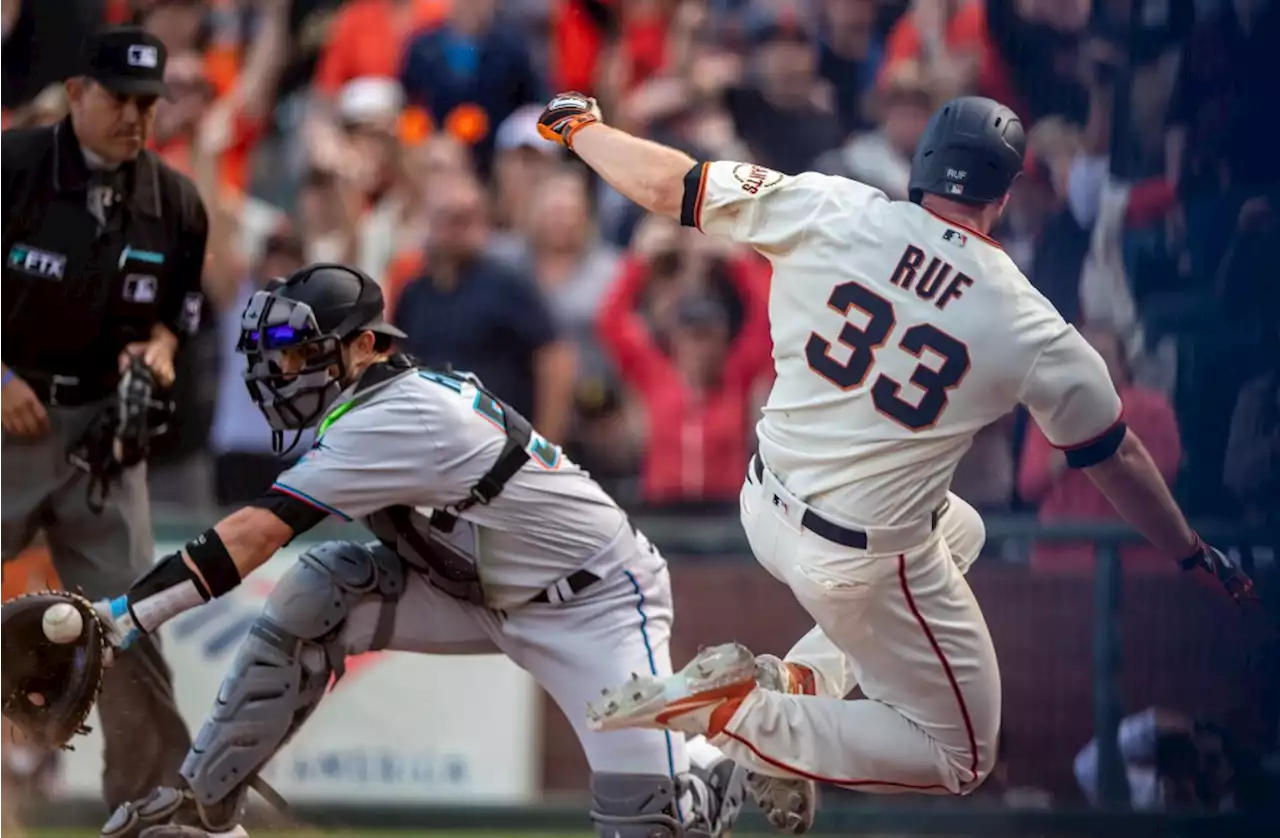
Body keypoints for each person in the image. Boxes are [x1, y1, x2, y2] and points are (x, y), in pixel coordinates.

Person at [534, 92, 1254, 830]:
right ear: (1004, 196)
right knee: (962, 755)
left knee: (960, 529)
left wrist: (582, 130)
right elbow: (1117, 456)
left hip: (764, 502)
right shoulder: (1027, 319)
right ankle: (749, 722)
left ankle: (801, 681)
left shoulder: (831, 206)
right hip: (857, 560)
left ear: (923, 167)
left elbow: (670, 185)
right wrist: (1192, 551)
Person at [91, 264, 746, 838]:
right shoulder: (379, 403)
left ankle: (713, 767)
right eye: (277, 356)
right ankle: (205, 814)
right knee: (322, 591)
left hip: (594, 602)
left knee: (652, 825)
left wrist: (118, 618)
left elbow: (253, 535)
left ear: (367, 345)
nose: (281, 372)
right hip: (485, 589)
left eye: (300, 353)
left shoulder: (397, 416)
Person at [0, 26, 204, 810]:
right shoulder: (14, 167)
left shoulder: (174, 203)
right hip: (6, 419)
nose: (136, 118)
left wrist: (157, 357)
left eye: (148, 104)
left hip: (98, 441)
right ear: (77, 93)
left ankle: (154, 814)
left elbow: (172, 325)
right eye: (120, 98)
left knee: (133, 625)